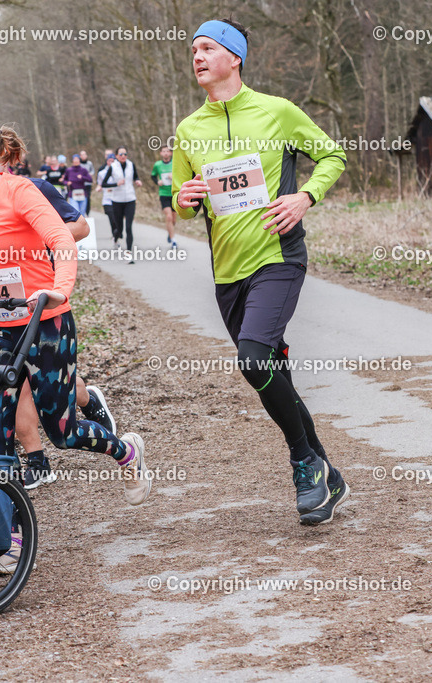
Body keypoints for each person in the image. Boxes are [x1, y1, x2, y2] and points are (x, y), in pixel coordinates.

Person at [173, 19, 347, 525]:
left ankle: (303, 462)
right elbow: (184, 201)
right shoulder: (188, 129)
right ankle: (329, 476)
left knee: (253, 360)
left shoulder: (277, 112)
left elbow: (332, 155)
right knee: (273, 372)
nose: (197, 57)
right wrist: (184, 198)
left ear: (235, 57)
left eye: (207, 48)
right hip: (227, 271)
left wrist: (305, 196)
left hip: (278, 257)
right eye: (193, 50)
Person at [0, 114, 151, 506]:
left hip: (45, 323)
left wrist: (59, 289)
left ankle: (126, 453)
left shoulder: (21, 191)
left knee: (63, 431)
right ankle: (3, 529)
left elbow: (62, 241)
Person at [0, 134, 118, 489]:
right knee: (17, 384)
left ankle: (84, 403)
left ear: (7, 158)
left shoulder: (36, 188)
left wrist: (40, 242)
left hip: (44, 303)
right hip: (3, 311)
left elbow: (80, 226)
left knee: (35, 384)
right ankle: (38, 460)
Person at [110, 146, 142, 262]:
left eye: (125, 154)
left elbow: (135, 176)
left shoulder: (131, 165)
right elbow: (104, 183)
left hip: (130, 199)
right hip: (117, 200)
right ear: (116, 156)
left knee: (128, 227)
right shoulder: (113, 166)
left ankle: (129, 254)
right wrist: (116, 184)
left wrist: (137, 181)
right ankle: (115, 238)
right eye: (121, 154)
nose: (123, 156)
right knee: (120, 229)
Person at [151, 145, 178, 249]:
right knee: (169, 216)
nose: (166, 153)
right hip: (163, 194)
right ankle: (173, 240)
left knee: (174, 219)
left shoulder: (175, 163)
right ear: (161, 153)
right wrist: (157, 182)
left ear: (170, 153)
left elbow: (181, 176)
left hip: (174, 193)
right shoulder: (157, 165)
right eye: (164, 151)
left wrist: (174, 177)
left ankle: (170, 232)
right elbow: (153, 176)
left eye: (167, 151)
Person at [95, 150, 122, 243]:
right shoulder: (102, 173)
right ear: (107, 161)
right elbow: (100, 184)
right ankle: (115, 233)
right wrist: (98, 187)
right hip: (107, 199)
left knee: (117, 218)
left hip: (117, 198)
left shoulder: (119, 172)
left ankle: (117, 233)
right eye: (109, 161)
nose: (111, 163)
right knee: (111, 217)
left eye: (113, 161)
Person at [79, 150, 95, 216]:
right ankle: (81, 213)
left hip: (88, 184)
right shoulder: (79, 164)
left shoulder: (89, 163)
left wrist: (89, 175)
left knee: (88, 198)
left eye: (84, 154)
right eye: (82, 155)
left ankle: (87, 213)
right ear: (80, 156)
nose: (83, 156)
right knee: (81, 198)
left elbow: (92, 171)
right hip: (80, 184)